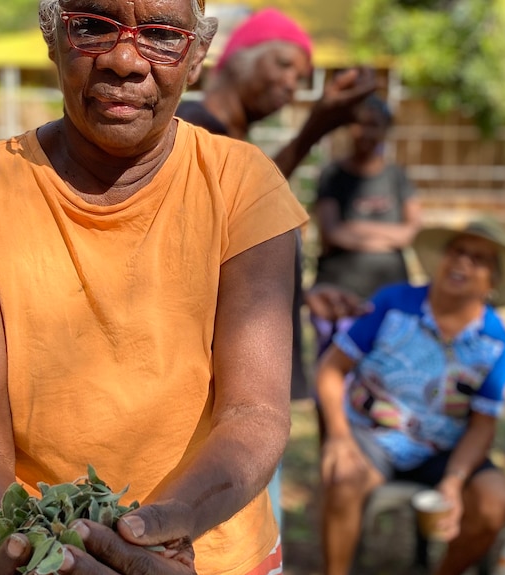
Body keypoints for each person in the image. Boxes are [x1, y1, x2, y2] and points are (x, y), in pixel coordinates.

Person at [0, 0, 309, 573]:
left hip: (211, 553)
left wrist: (161, 528)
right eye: (93, 26)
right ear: (52, 40)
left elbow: (254, 414)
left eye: (162, 35)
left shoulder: (243, 185)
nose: (124, 60)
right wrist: (30, 544)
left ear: (195, 57)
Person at [176, 6, 376, 529]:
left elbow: (232, 255)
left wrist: (299, 295)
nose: (293, 84)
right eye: (285, 65)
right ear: (237, 55)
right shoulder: (190, 129)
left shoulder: (241, 146)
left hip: (255, 403)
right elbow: (236, 208)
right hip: (214, 408)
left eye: (302, 79)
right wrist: (314, 130)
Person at [316, 219, 505, 575]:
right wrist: (339, 438)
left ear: (492, 282)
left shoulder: (495, 342)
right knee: (344, 478)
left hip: (443, 449)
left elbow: (483, 425)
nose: (462, 262)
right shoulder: (395, 303)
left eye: (478, 259)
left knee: (495, 501)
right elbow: (331, 369)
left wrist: (455, 479)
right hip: (374, 436)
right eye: (457, 251)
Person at [311, 94, 421, 357]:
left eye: (375, 125)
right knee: (334, 375)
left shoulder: (398, 177)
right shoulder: (333, 176)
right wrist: (387, 238)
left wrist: (355, 228)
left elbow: (410, 233)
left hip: (389, 298)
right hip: (338, 297)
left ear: (386, 130)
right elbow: (332, 233)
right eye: (360, 124)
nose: (366, 132)